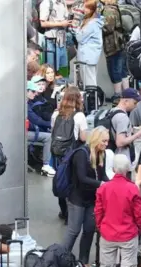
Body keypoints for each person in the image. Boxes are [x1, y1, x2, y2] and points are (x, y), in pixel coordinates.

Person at [62, 127, 109, 266]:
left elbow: (103, 175)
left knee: (89, 230)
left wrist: (112, 183)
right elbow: (82, 178)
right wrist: (102, 184)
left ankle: (83, 263)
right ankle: (61, 259)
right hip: (77, 198)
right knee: (74, 230)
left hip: (91, 199)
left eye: (107, 141)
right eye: (104, 141)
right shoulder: (82, 154)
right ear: (96, 139)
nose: (106, 144)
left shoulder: (101, 153)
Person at [95, 154, 141, 267]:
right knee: (129, 266)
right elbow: (138, 214)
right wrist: (139, 228)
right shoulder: (133, 189)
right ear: (127, 169)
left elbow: (98, 211)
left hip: (107, 232)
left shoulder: (103, 188)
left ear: (113, 169)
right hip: (128, 233)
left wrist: (100, 226)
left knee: (106, 266)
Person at [51, 87, 88, 221]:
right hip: (73, 153)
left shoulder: (55, 114)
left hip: (58, 151)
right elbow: (83, 138)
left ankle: (63, 211)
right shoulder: (79, 116)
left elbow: (53, 132)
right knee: (73, 181)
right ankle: (72, 214)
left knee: (61, 178)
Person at [110, 88, 141, 173]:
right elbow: (120, 142)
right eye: (134, 103)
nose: (136, 105)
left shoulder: (112, 111)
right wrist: (138, 134)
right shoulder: (122, 117)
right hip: (121, 160)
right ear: (126, 101)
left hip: (113, 157)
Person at [27, 81, 56, 177]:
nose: (35, 94)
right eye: (33, 91)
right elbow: (36, 120)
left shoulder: (27, 103)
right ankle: (46, 165)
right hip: (23, 133)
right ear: (27, 91)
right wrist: (51, 125)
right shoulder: (26, 105)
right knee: (48, 137)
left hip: (25, 131)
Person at [102, 0, 129, 95]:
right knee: (122, 70)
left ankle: (117, 95)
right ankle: (127, 93)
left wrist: (97, 26)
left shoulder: (108, 10)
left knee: (114, 70)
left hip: (113, 45)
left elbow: (108, 28)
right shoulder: (117, 7)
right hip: (121, 42)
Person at [75, 0, 104, 88]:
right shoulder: (92, 22)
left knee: (89, 82)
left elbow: (80, 38)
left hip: (87, 57)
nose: (84, 9)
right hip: (89, 56)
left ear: (92, 9)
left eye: (86, 7)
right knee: (90, 80)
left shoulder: (92, 24)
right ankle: (93, 100)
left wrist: (77, 29)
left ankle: (93, 100)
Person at [39, 0, 70, 72]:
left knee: (63, 67)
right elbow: (43, 23)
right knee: (51, 68)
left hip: (62, 39)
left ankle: (63, 82)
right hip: (51, 40)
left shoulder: (63, 2)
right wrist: (60, 24)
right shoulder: (46, 3)